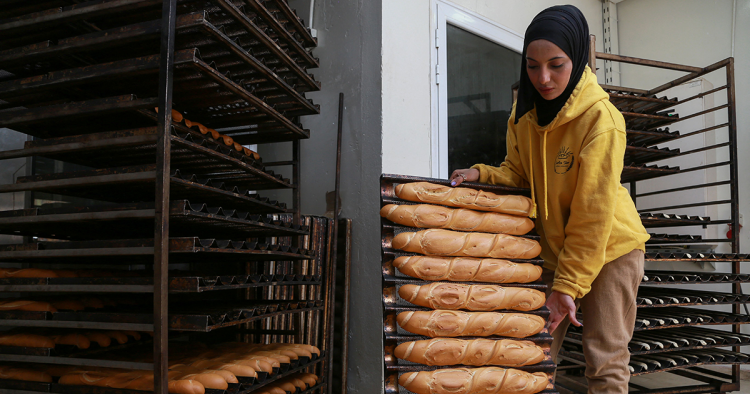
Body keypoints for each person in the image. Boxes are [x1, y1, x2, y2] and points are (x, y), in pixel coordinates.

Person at [449, 5, 650, 394]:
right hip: (556, 248)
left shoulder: (601, 120)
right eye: (532, 65)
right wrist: (482, 174)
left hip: (611, 247)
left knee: (604, 359)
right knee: (530, 353)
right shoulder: (524, 116)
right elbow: (519, 174)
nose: (543, 78)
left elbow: (593, 213)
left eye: (556, 65)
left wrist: (568, 286)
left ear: (576, 59)